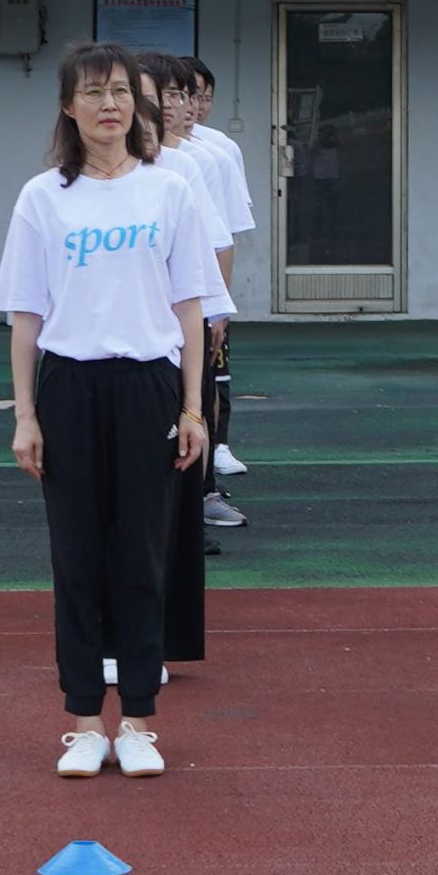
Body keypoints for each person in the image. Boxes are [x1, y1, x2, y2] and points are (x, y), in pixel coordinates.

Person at [0, 41, 223, 777]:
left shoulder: (170, 191)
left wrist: (193, 408)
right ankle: (86, 721)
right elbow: (25, 316)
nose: (108, 105)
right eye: (93, 92)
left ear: (137, 104)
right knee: (76, 554)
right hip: (69, 386)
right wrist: (26, 415)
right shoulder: (42, 198)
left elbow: (190, 308)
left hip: (149, 384)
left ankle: (140, 722)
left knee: (144, 554)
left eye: (121, 91)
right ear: (69, 106)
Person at [156, 55, 263, 525]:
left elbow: (220, 238)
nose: (174, 105)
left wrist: (218, 307)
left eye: (181, 95)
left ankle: (203, 489)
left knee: (201, 390)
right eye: (160, 95)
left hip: (190, 303)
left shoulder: (204, 157)